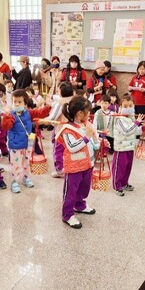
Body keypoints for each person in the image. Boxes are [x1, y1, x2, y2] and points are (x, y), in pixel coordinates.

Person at [55, 96, 99, 228]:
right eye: (88, 111)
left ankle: (79, 205)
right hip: (74, 167)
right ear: (80, 113)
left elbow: (93, 141)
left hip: (87, 164)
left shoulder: (86, 125)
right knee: (71, 191)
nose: (89, 114)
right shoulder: (68, 129)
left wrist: (100, 142)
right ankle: (67, 214)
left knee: (84, 188)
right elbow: (72, 147)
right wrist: (87, 137)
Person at [1, 89, 51, 194]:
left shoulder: (29, 113)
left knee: (26, 163)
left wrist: (48, 106)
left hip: (28, 143)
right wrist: (6, 115)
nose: (17, 104)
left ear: (25, 104)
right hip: (15, 145)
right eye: (15, 101)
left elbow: (40, 113)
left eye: (20, 102)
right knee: (15, 164)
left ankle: (26, 177)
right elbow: (6, 126)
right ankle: (14, 181)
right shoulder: (11, 115)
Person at [110, 95, 145, 196]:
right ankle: (116, 186)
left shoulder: (131, 118)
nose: (128, 108)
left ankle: (124, 183)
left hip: (130, 147)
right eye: (125, 106)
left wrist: (143, 128)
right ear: (120, 107)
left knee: (127, 167)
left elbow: (135, 131)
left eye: (130, 106)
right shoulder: (118, 119)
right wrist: (137, 122)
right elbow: (126, 131)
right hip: (121, 148)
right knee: (119, 168)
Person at [39, 82, 74, 178]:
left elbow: (52, 117)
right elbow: (56, 97)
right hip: (73, 130)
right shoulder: (74, 101)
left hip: (61, 131)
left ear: (61, 92)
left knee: (58, 150)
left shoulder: (60, 104)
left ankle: (59, 169)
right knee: (70, 149)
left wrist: (40, 121)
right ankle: (70, 166)